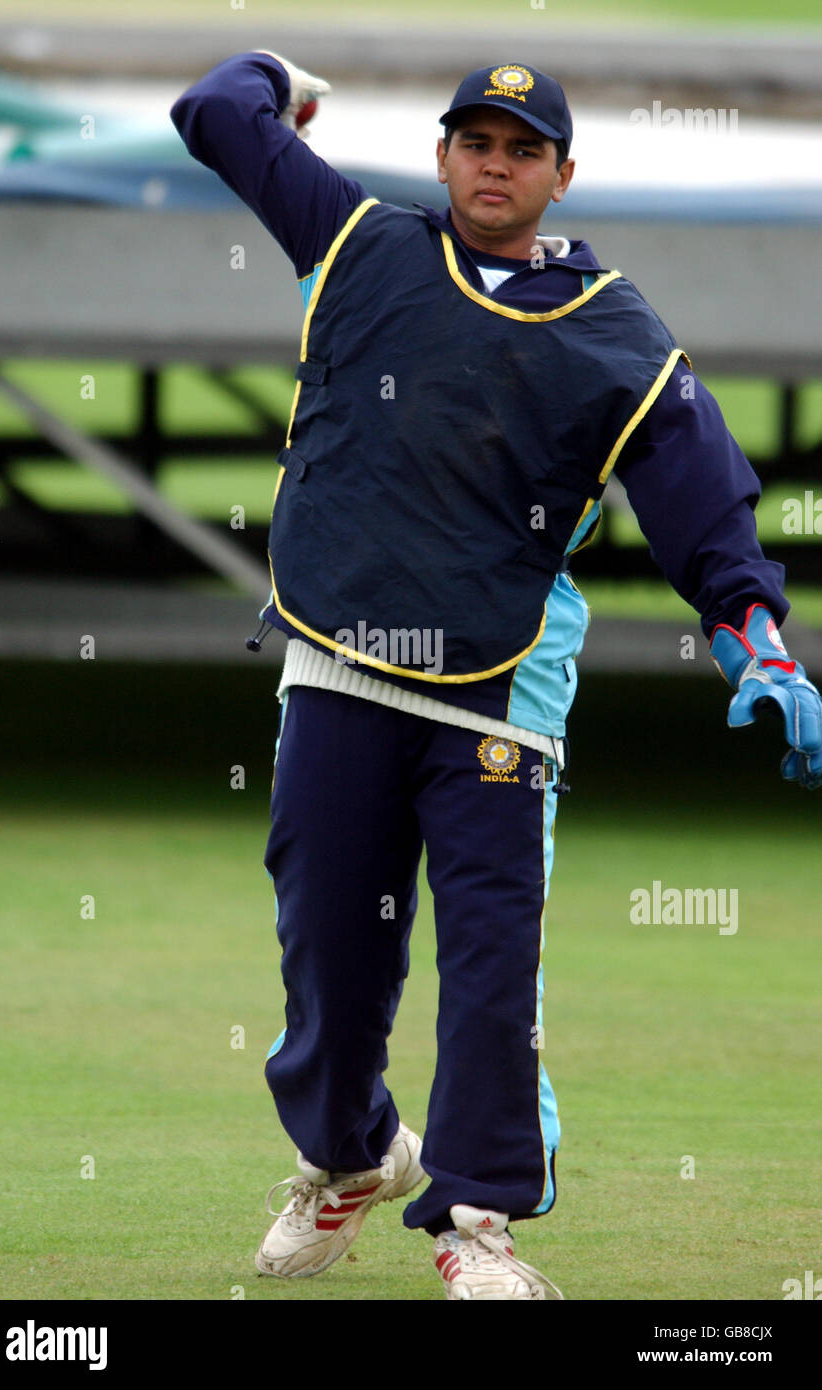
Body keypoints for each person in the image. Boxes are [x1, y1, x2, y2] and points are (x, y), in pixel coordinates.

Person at [171, 53, 822, 1301]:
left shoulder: (613, 329)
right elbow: (211, 113)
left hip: (497, 683)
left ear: (560, 175)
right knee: (323, 952)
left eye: (522, 148)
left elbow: (698, 502)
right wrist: (283, 81)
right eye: (473, 140)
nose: (494, 163)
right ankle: (352, 1156)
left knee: (487, 962)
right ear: (440, 156)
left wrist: (757, 641)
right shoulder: (357, 241)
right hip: (338, 659)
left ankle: (476, 1223)